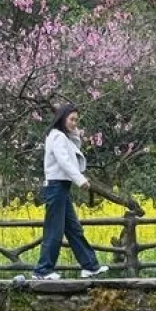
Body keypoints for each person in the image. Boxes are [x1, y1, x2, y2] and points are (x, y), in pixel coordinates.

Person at [33, 105, 109, 280]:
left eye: (76, 120)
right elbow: (64, 162)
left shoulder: (62, 136)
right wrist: (80, 179)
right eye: (71, 119)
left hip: (62, 187)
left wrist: (74, 134)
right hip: (56, 186)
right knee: (54, 230)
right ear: (62, 118)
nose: (75, 123)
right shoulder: (57, 136)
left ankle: (90, 266)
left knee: (74, 229)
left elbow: (71, 154)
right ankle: (43, 270)